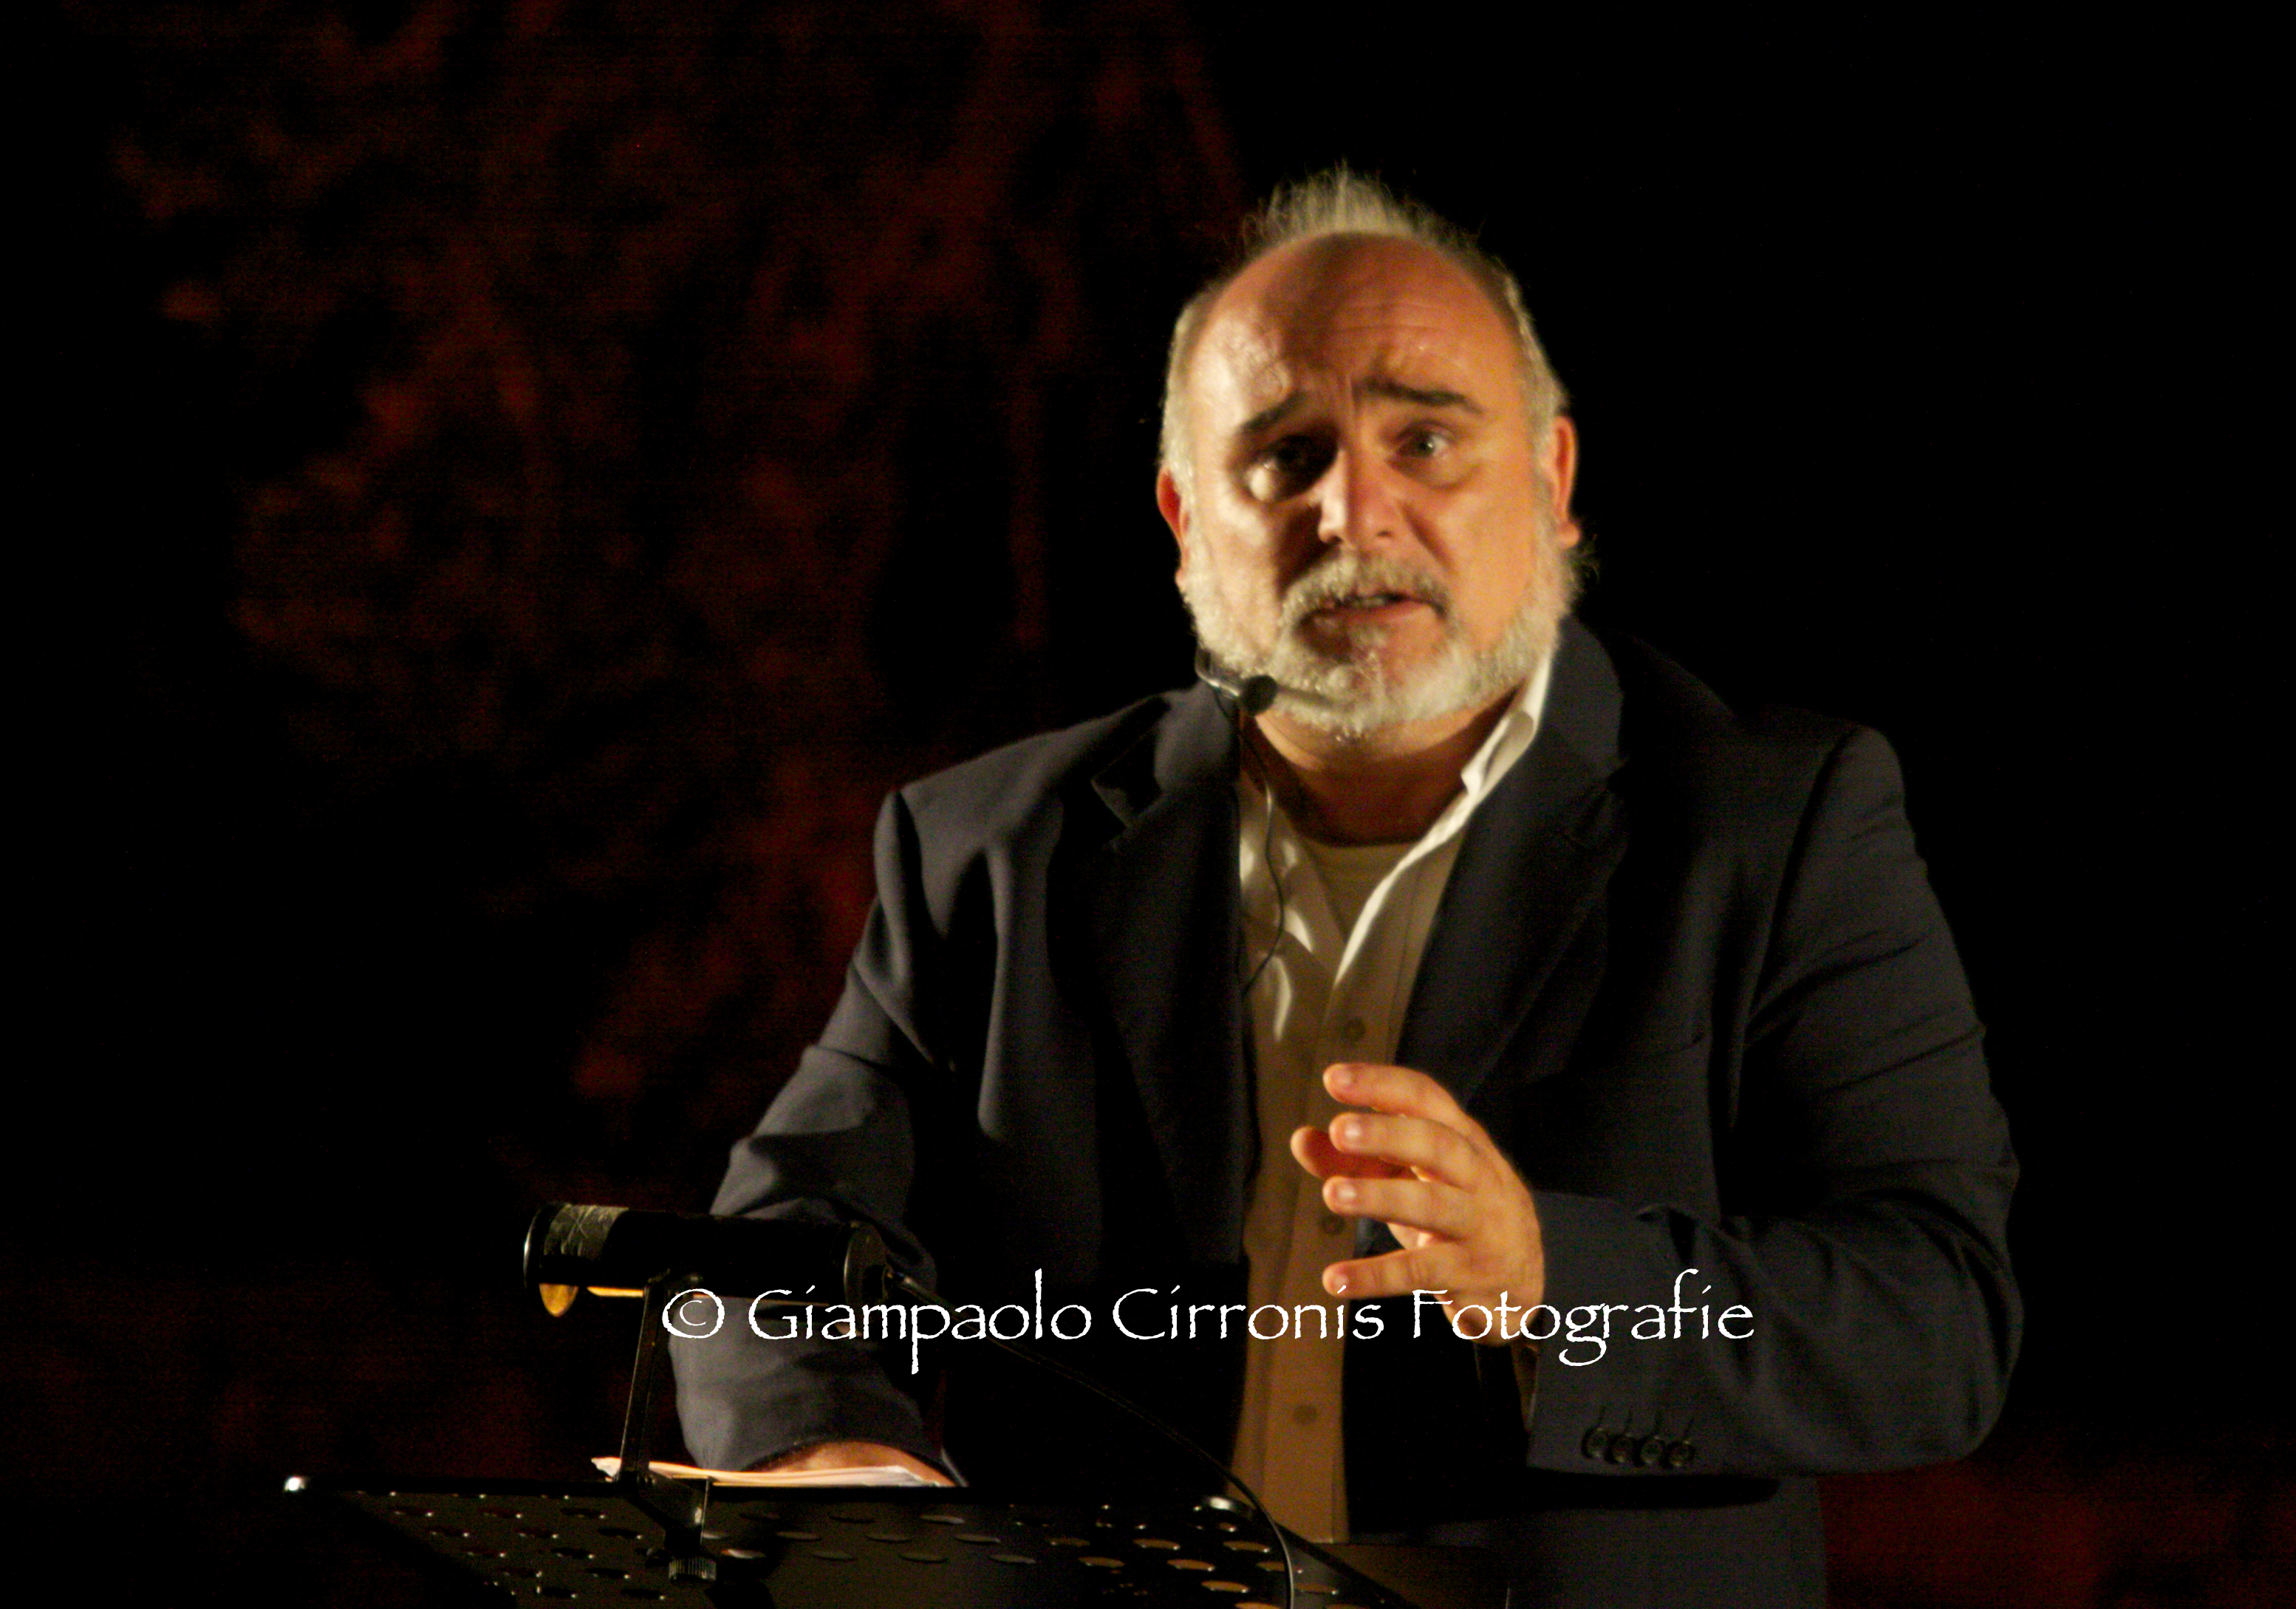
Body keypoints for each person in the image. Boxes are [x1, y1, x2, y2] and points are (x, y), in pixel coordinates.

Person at [673, 171, 2019, 1608]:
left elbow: (1934, 1319)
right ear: (1185, 516)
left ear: (1553, 483)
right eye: (1284, 455)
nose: (1354, 512)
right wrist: (832, 1452)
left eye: (1424, 440)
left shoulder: (1776, 822)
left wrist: (1550, 1279)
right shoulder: (989, 850)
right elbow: (777, 1240)